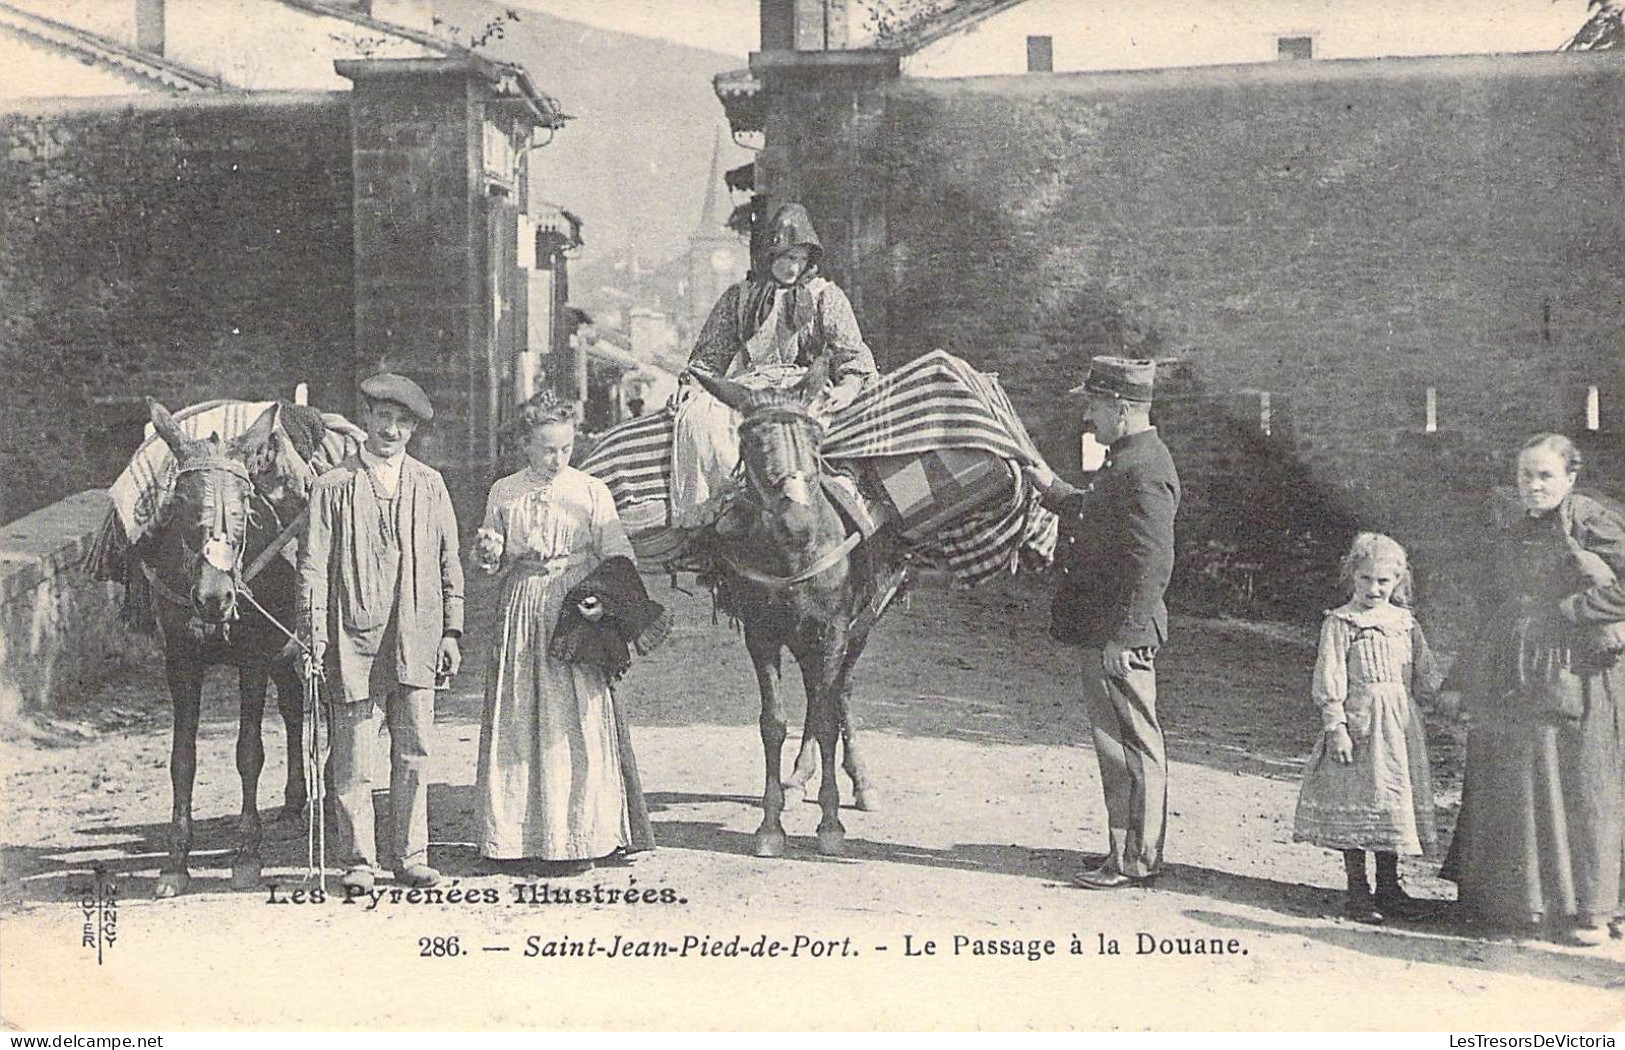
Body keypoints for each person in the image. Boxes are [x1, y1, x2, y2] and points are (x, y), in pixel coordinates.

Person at [1440, 433, 1625, 946]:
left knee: (1583, 784)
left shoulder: (1589, 522)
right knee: (1522, 780)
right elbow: (1488, 612)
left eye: (1546, 475)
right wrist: (1459, 679)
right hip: (1516, 672)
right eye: (1526, 475)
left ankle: (1591, 908)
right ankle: (1526, 906)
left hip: (1581, 671)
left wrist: (1572, 613)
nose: (1534, 485)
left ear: (1571, 477)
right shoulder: (1516, 531)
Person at [474, 390, 655, 875]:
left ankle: (579, 837)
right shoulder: (504, 492)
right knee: (519, 713)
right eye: (546, 448)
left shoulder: (591, 490)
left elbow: (618, 554)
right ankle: (515, 838)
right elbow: (491, 559)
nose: (557, 459)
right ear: (526, 445)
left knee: (573, 721)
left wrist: (600, 594)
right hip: (522, 607)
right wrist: (490, 553)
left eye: (565, 449)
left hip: (574, 611)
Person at [298, 373, 464, 893]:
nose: (390, 429)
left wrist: (452, 631)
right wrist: (314, 633)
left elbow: (448, 560)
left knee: (414, 750)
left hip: (417, 634)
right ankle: (360, 861)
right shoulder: (333, 487)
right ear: (366, 419)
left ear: (413, 429)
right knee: (353, 757)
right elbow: (313, 566)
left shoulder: (430, 485)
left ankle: (411, 855)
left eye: (402, 422)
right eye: (382, 418)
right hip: (353, 638)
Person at [1021, 357, 1180, 889]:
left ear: (1123, 408)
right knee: (1116, 743)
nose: (1088, 416)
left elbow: (1153, 563)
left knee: (1132, 747)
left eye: (1094, 405)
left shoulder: (1146, 467)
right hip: (1105, 630)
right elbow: (1095, 513)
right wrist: (1048, 484)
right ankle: (1123, 849)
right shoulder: (1129, 459)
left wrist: (1125, 637)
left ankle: (1135, 859)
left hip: (1119, 635)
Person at [670, 202, 879, 528]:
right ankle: (710, 512)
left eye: (799, 259)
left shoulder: (825, 296)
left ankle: (834, 504)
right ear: (768, 255)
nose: (792, 268)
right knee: (697, 417)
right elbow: (710, 356)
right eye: (785, 257)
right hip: (750, 391)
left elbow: (852, 354)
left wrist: (850, 386)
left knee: (825, 427)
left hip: (802, 389)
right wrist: (692, 383)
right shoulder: (738, 297)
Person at [1291, 533, 1443, 924]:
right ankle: (1358, 890)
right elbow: (1330, 679)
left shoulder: (1405, 624)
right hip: (1360, 725)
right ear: (1352, 577)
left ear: (1398, 582)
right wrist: (1335, 726)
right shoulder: (1343, 622)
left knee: (1391, 800)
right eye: (1366, 580)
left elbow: (1425, 673)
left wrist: (1445, 700)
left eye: (1383, 581)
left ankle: (1390, 887)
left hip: (1400, 727)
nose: (1374, 589)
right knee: (1358, 798)